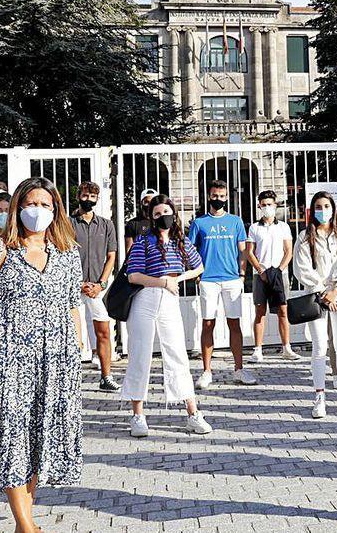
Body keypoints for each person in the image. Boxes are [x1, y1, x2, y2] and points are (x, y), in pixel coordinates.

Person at [0, 177, 83, 532]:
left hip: (55, 363)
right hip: (8, 365)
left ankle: (28, 518)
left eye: (44, 204)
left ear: (55, 211)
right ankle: (25, 525)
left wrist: (77, 350)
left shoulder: (68, 253)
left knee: (39, 438)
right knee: (11, 438)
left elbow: (72, 305)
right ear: (18, 208)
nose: (36, 211)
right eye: (30, 204)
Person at [122, 195, 213, 437]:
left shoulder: (180, 241)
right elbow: (133, 276)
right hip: (145, 299)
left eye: (167, 212)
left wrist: (176, 280)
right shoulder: (144, 241)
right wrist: (163, 282)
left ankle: (193, 413)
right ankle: (137, 415)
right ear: (151, 218)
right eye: (157, 214)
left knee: (177, 354)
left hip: (169, 300)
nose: (164, 217)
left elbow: (198, 266)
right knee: (140, 354)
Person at [294, 191, 337, 417]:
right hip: (316, 296)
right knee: (320, 346)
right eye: (319, 207)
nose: (324, 211)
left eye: (327, 206)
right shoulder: (304, 236)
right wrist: (323, 291)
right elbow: (301, 269)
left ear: (334, 209)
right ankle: (319, 396)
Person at [189, 180, 252, 388]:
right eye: (215, 196)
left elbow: (243, 250)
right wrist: (197, 274)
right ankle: (206, 371)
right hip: (208, 280)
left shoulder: (235, 221)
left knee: (235, 324)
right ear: (209, 196)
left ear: (227, 197)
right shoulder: (199, 223)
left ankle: (239, 369)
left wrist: (242, 274)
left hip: (232, 279)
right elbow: (190, 251)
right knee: (208, 324)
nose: (218, 199)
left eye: (222, 196)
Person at [72, 181, 120, 391]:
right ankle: (70, 380)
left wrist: (101, 284)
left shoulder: (106, 224)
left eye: (92, 197)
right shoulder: (67, 223)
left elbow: (112, 256)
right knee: (73, 335)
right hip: (73, 287)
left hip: (97, 290)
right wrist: (77, 282)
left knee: (104, 331)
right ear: (78, 196)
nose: (88, 200)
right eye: (85, 196)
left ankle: (106, 376)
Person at [246, 190, 299, 361]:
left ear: (275, 206)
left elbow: (288, 251)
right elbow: (249, 252)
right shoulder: (254, 228)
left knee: (283, 310)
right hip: (259, 274)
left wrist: (279, 269)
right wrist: (260, 270)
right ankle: (258, 349)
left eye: (270, 204)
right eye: (264, 205)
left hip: (279, 273)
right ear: (259, 206)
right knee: (260, 311)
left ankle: (286, 348)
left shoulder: (283, 227)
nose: (267, 207)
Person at [124, 188, 159, 255]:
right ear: (141, 203)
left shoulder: (160, 222)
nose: (149, 205)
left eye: (152, 202)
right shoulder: (132, 224)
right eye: (146, 202)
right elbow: (129, 251)